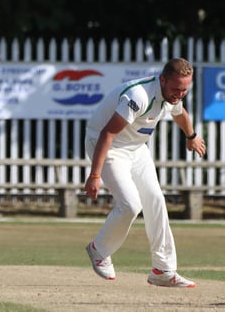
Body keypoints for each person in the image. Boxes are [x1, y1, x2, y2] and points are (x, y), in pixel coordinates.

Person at [84, 58, 206, 287]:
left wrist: (191, 137)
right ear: (162, 80)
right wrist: (94, 176)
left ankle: (163, 270)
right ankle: (98, 249)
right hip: (109, 147)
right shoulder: (138, 96)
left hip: (136, 149)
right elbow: (107, 134)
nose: (179, 94)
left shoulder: (171, 95)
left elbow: (179, 113)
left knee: (156, 200)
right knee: (130, 205)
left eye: (185, 90)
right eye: (176, 89)